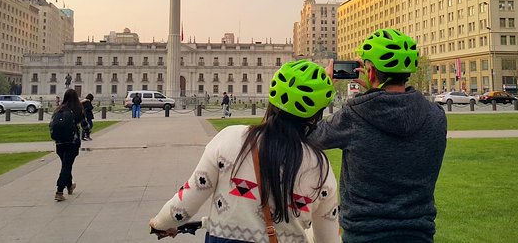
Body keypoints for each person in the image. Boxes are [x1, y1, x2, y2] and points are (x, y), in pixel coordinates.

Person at [149, 60, 341, 242]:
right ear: (316, 115)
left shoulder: (231, 138)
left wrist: (160, 223)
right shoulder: (320, 167)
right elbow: (328, 238)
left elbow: (185, 203)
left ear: (272, 101)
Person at [310, 28, 447, 242]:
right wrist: (374, 90)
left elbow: (311, 135)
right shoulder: (436, 117)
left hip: (364, 234)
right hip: (419, 234)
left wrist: (324, 87)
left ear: (371, 72)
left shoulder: (355, 114)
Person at [52, 88, 89, 202]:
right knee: (67, 166)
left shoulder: (58, 109)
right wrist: (87, 130)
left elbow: (52, 124)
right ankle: (59, 190)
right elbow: (84, 124)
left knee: (66, 164)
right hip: (72, 142)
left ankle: (69, 186)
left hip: (59, 142)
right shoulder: (78, 109)